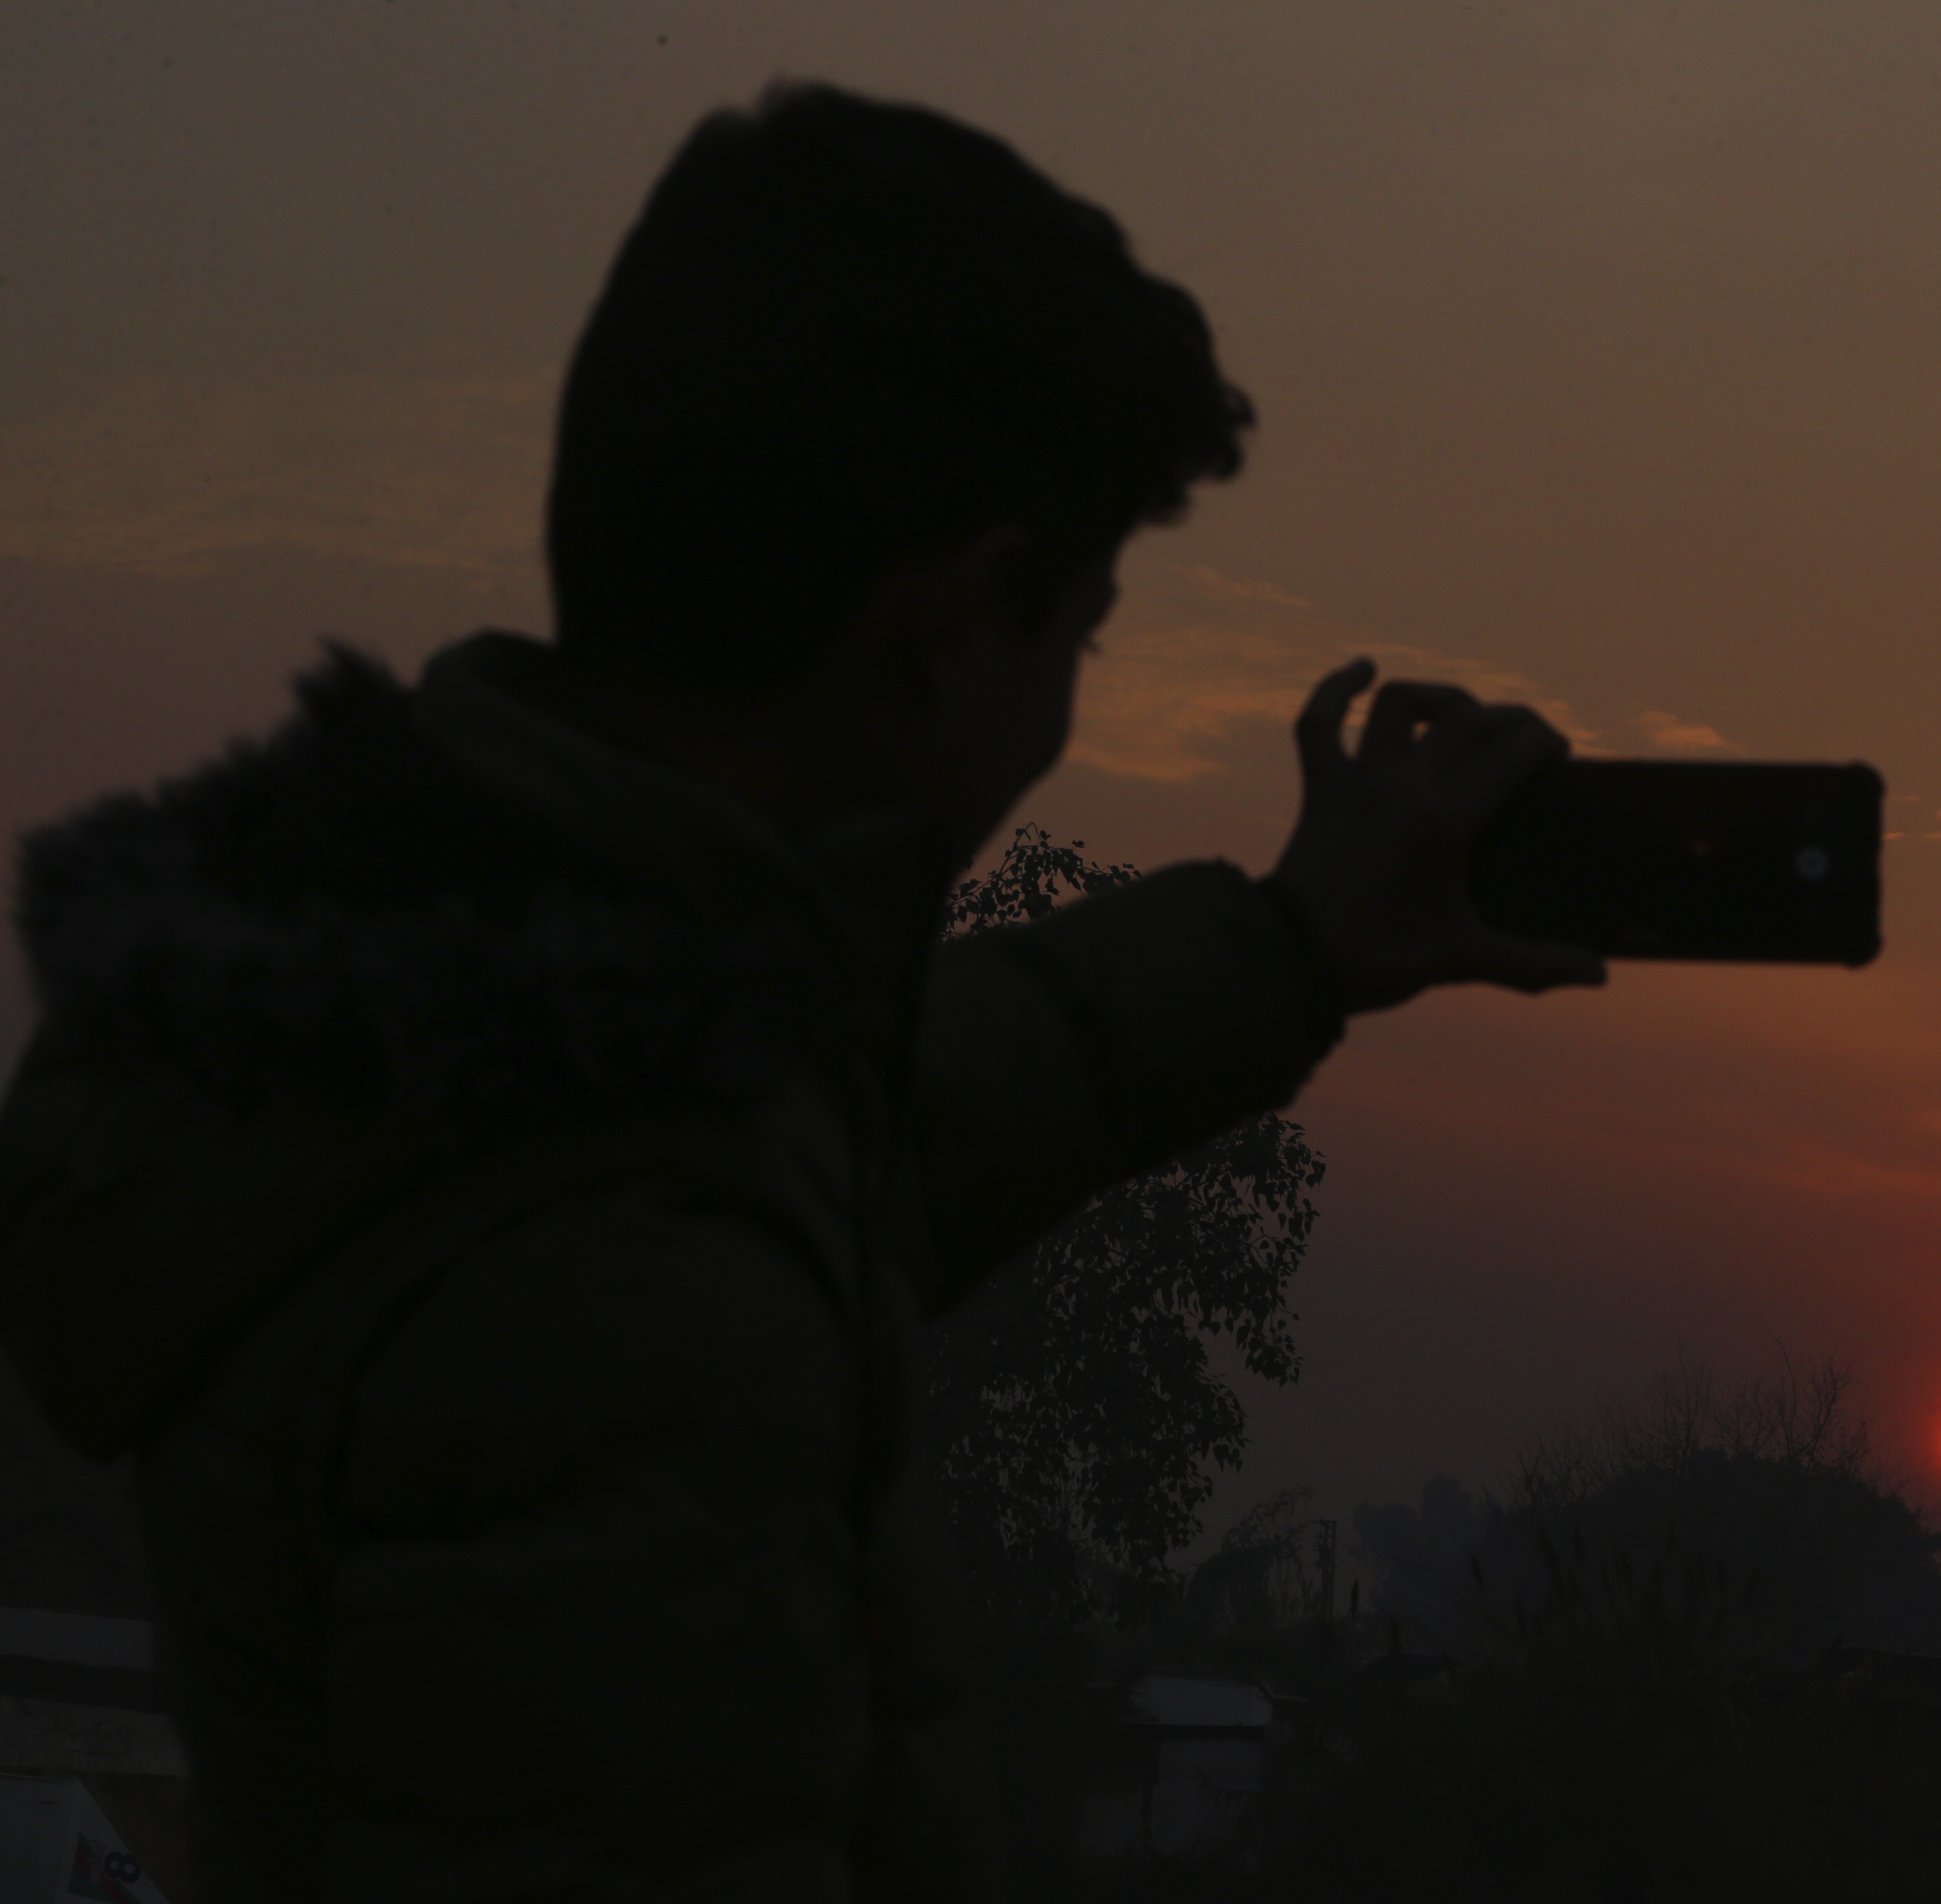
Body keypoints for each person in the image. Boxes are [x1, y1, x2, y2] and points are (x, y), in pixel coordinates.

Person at [0, 83, 1601, 1898]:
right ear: (946, 622)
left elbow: (858, 1129)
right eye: (1077, 630)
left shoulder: (441, 1006)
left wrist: (1296, 945)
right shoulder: (632, 1288)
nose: (1065, 710)